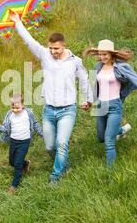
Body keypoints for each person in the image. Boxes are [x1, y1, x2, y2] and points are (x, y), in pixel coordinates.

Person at [8, 10, 93, 185]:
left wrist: (88, 99)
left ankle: (55, 177)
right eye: (51, 48)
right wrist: (17, 22)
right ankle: (65, 166)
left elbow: (84, 79)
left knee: (62, 143)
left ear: (64, 46)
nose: (53, 51)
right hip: (49, 109)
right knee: (50, 146)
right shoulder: (44, 54)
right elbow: (29, 41)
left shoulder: (75, 61)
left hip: (68, 110)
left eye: (56, 48)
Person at [83, 39, 137, 167]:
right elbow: (92, 87)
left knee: (108, 141)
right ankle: (121, 130)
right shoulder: (97, 67)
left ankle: (109, 172)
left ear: (111, 54)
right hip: (100, 105)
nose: (102, 57)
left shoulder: (121, 68)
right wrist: (89, 103)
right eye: (100, 54)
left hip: (114, 106)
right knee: (101, 137)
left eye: (105, 54)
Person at [0, 94, 43, 194]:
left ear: (23, 105)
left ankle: (14, 186)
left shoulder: (28, 113)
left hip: (25, 141)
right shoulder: (9, 115)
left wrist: (43, 134)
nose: (15, 110)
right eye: (13, 107)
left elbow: (36, 124)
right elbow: (6, 129)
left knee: (17, 164)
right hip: (13, 141)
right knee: (12, 162)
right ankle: (26, 163)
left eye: (17, 107)